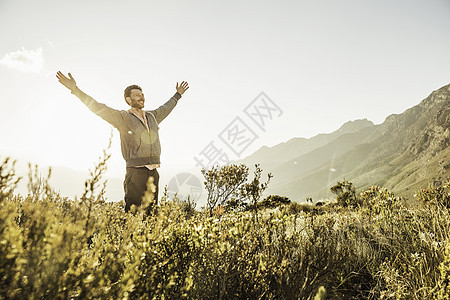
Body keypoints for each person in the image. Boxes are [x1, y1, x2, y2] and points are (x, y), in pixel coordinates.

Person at [56, 71, 189, 212]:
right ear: (128, 99)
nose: (141, 97)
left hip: (153, 173)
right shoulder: (122, 118)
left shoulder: (153, 116)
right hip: (135, 174)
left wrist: (177, 94)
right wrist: (75, 90)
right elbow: (97, 107)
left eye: (142, 94)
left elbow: (166, 107)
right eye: (137, 95)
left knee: (152, 217)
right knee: (133, 215)